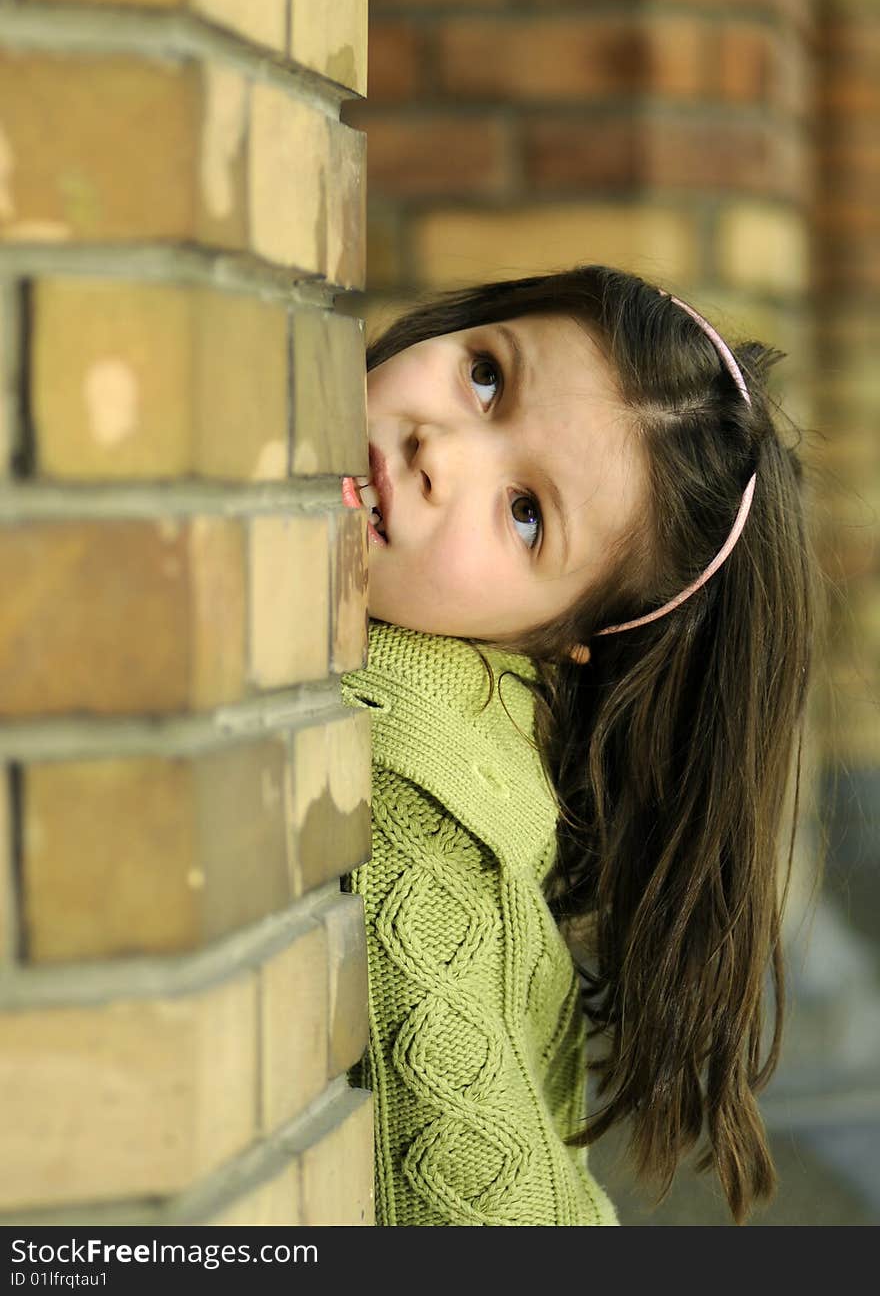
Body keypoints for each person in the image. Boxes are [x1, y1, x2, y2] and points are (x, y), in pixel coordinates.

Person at [339, 263, 821, 1227]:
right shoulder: (475, 716)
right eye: (486, 376)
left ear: (570, 634)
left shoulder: (408, 814)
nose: (441, 453)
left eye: (526, 514)